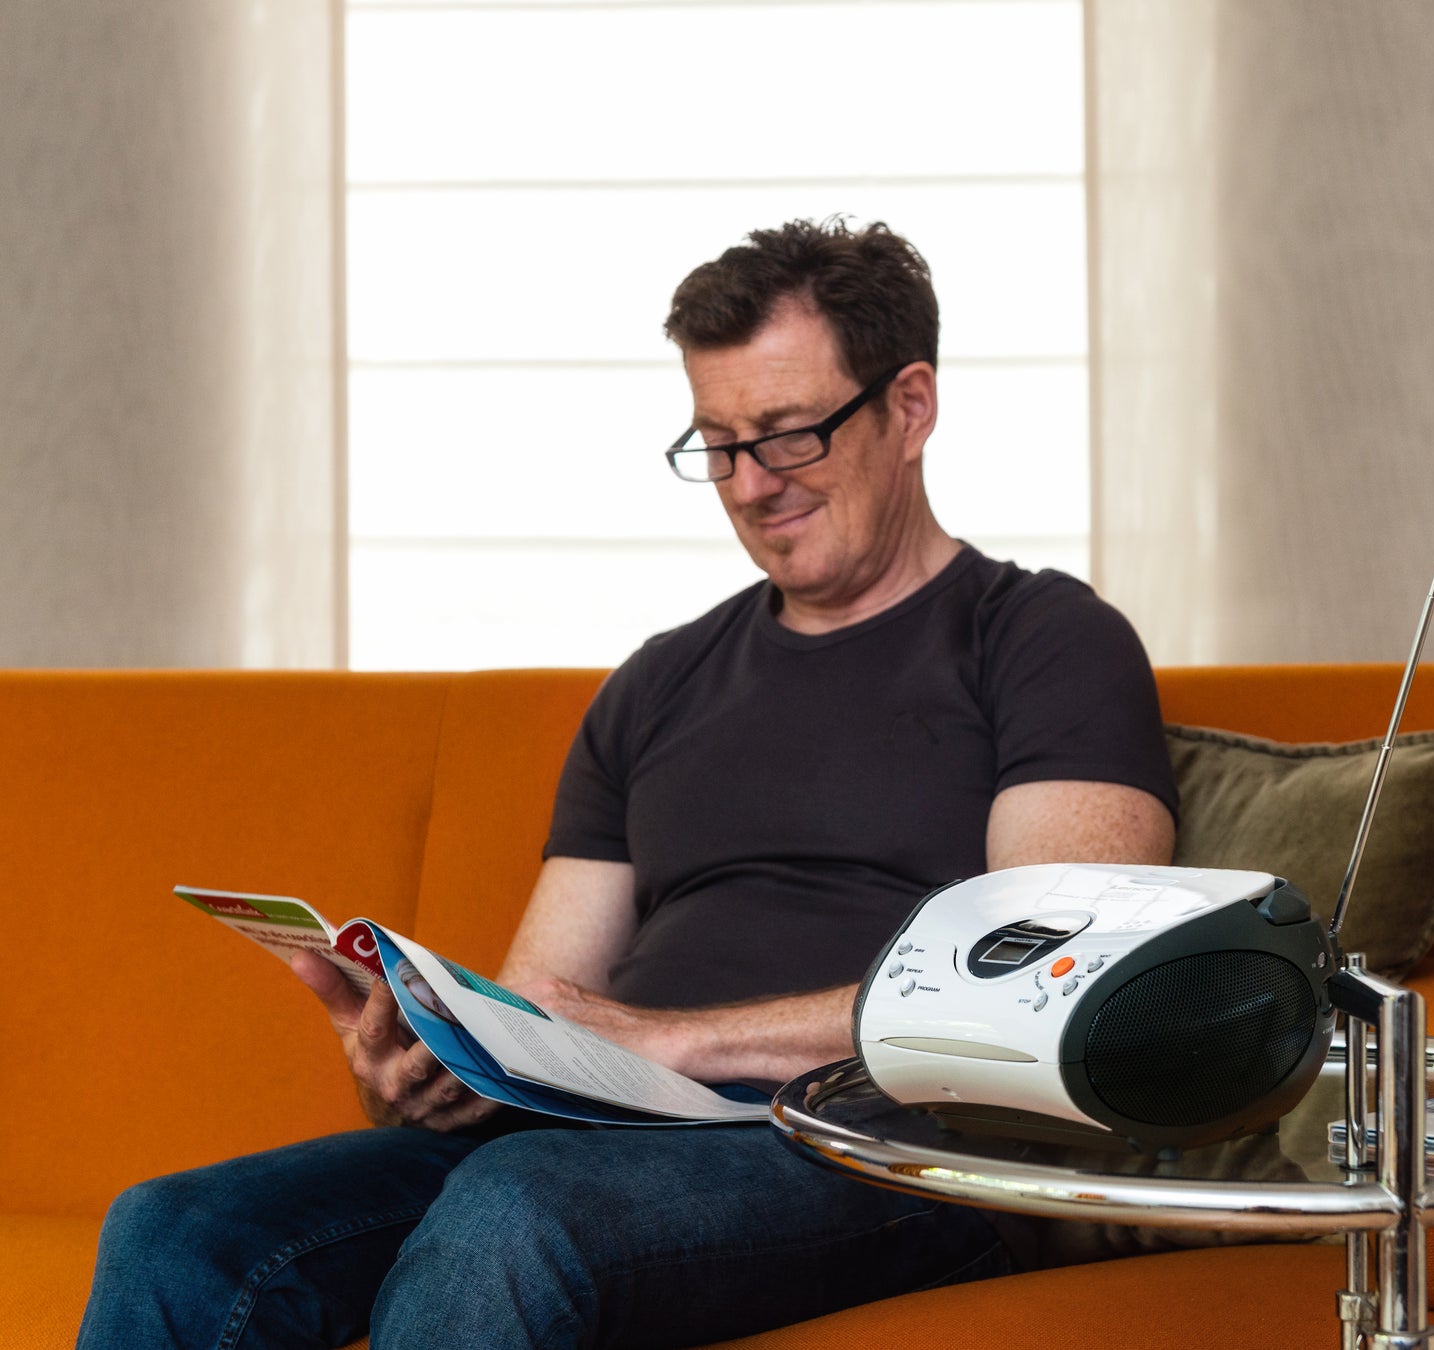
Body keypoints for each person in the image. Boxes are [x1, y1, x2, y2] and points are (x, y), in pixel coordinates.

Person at [78, 218, 1179, 1349]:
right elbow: (544, 1004)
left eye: (789, 435)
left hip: (884, 1149)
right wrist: (431, 1065)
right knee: (175, 1230)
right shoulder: (658, 684)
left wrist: (672, 1043)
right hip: (600, 1142)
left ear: (910, 406)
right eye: (719, 443)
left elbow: (1044, 993)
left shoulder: (1047, 641)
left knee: (514, 1212)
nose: (752, 485)